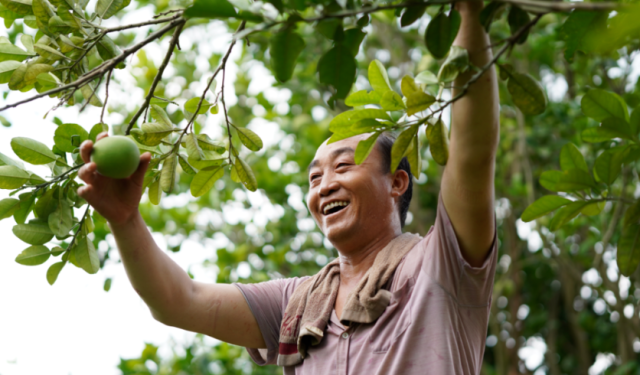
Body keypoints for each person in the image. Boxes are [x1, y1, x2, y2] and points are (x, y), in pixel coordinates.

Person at [77, 1, 499, 373]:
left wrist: (471, 16)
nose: (325, 186)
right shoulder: (296, 304)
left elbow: (473, 152)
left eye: (343, 167)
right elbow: (177, 300)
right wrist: (126, 219)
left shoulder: (442, 264)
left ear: (397, 182)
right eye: (315, 178)